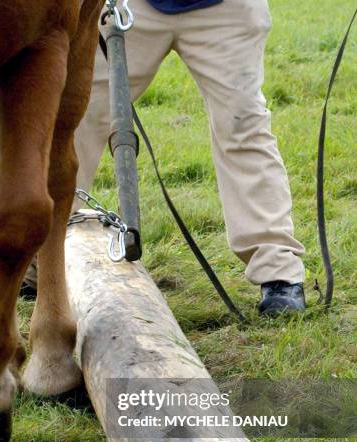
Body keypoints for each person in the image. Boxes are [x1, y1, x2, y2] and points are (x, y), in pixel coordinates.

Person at [70, 0, 306, 315]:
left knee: (243, 125)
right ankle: (37, 257)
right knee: (76, 116)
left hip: (225, 9)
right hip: (131, 5)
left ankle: (278, 271)